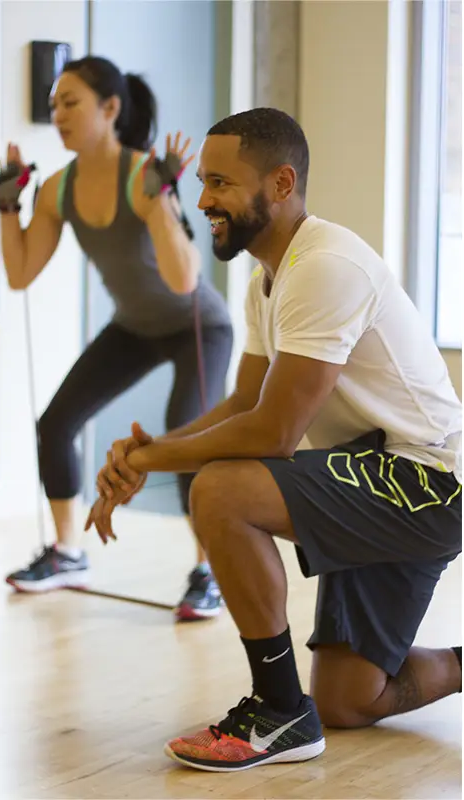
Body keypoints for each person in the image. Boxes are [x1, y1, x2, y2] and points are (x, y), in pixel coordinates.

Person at [88, 107, 462, 772]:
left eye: (221, 183)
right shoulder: (270, 278)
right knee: (350, 699)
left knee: (222, 491)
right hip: (368, 471)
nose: (203, 201)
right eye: (203, 183)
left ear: (281, 183)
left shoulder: (325, 266)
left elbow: (273, 432)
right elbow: (243, 404)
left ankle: (278, 709)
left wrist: (148, 459)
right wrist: (149, 451)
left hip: (428, 483)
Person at [0, 56, 233, 621]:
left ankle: (210, 572)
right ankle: (67, 553)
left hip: (198, 328)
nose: (58, 114)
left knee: (185, 437)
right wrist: (8, 205)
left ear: (110, 108)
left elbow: (184, 281)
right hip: (134, 327)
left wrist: (161, 198)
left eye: (70, 102)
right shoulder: (57, 189)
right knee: (56, 423)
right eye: (54, 105)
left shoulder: (143, 175)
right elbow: (21, 273)